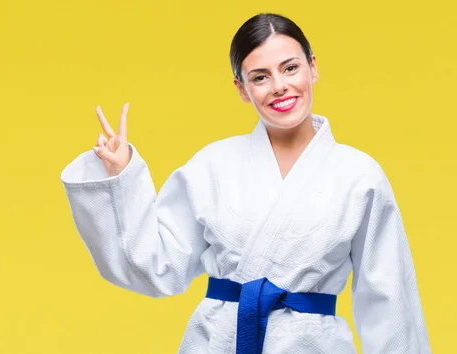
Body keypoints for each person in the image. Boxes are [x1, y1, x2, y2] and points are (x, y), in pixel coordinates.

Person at [60, 12, 431, 354]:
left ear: (313, 68)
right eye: (260, 77)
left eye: (290, 68)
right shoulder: (212, 165)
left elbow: (389, 298)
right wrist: (122, 176)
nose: (279, 86)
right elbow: (157, 267)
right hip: (217, 341)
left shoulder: (359, 175)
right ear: (241, 88)